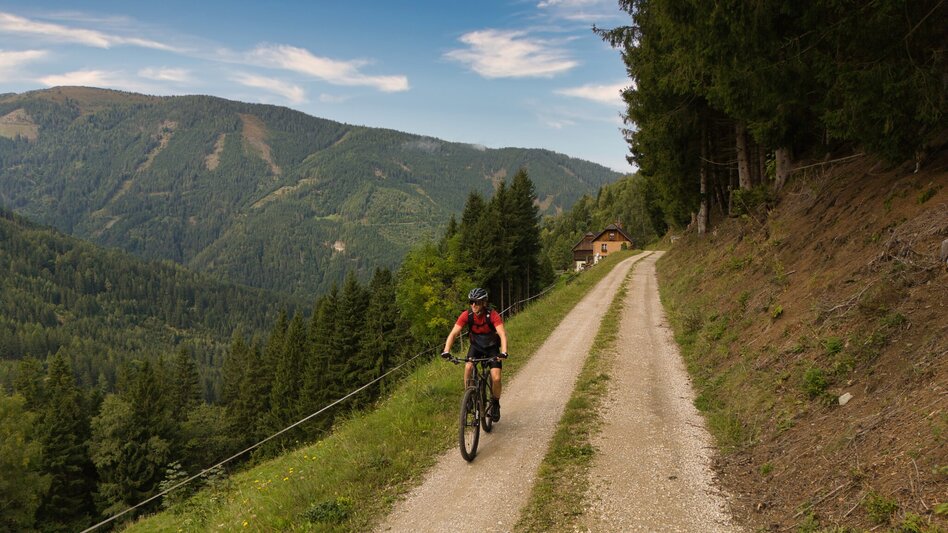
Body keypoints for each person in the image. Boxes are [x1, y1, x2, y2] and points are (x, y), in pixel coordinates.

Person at [441, 287, 508, 421]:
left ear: (483, 303)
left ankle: (495, 402)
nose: (473, 305)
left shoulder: (492, 315)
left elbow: (502, 333)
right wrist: (446, 350)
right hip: (476, 347)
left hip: (492, 347)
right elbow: (454, 333)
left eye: (476, 302)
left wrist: (504, 352)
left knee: (496, 378)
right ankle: (469, 396)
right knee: (468, 367)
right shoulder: (467, 315)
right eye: (471, 301)